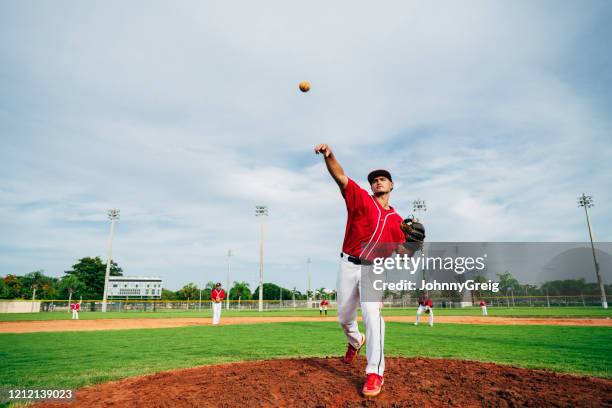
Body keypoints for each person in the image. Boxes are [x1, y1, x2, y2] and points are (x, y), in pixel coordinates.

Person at [315, 143, 407, 398]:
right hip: (348, 264)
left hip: (373, 270)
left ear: (391, 186)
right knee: (344, 318)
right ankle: (356, 341)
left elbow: (403, 253)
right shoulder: (361, 200)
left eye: (382, 179)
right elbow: (340, 177)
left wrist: (415, 243)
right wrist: (330, 156)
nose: (378, 182)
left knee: (372, 315)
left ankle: (375, 372)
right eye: (375, 180)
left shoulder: (399, 222)